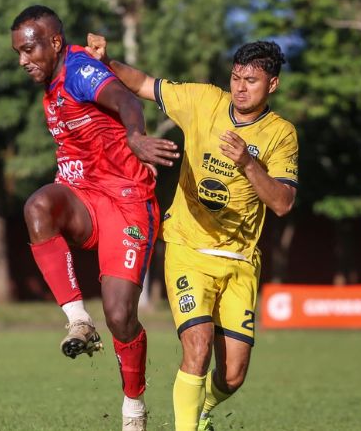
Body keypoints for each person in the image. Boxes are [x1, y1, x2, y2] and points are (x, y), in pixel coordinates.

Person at [86, 34, 298, 431]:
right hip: (187, 247)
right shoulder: (204, 100)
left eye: (251, 80)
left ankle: (201, 411)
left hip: (239, 261)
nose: (240, 87)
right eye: (236, 77)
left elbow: (283, 203)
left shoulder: (281, 134)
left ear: (272, 85)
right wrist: (107, 61)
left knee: (232, 376)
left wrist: (249, 164)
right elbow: (144, 84)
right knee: (197, 347)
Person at [11, 5, 179, 431]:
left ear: (53, 42)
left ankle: (134, 409)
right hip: (83, 198)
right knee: (37, 206)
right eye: (17, 53)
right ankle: (78, 321)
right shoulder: (51, 80)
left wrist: (136, 136)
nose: (22, 61)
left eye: (28, 50)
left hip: (126, 201)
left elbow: (123, 98)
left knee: (121, 316)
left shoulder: (79, 69)